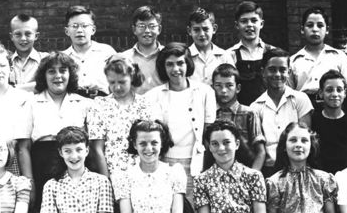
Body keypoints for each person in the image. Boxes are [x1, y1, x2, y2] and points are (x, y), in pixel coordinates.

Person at [16, 52, 93, 213]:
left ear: (71, 74)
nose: (58, 76)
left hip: (74, 161)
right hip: (41, 162)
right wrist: (30, 182)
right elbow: (23, 147)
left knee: (74, 212)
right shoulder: (31, 103)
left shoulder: (84, 103)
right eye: (51, 71)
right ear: (44, 75)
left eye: (63, 70)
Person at [143, 43, 215, 197]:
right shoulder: (152, 96)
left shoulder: (205, 92)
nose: (176, 69)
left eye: (180, 63)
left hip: (195, 162)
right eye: (170, 64)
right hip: (164, 162)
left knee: (192, 210)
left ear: (187, 64)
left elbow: (209, 130)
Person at [87, 54, 155, 181]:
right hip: (113, 174)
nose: (117, 87)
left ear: (132, 78)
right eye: (112, 82)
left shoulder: (144, 104)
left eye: (122, 82)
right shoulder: (99, 105)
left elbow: (150, 143)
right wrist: (106, 181)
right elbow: (97, 148)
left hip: (141, 175)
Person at [250, 48, 313, 176]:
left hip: (297, 166)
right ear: (263, 72)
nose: (277, 74)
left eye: (282, 70)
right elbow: (259, 148)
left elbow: (305, 137)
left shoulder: (300, 99)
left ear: (289, 72)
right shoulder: (255, 107)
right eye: (272, 69)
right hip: (268, 169)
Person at [288, 7, 347, 112]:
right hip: (304, 111)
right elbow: (289, 94)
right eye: (310, 25)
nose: (315, 29)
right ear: (302, 29)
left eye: (320, 25)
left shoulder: (339, 56)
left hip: (334, 109)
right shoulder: (293, 61)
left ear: (327, 30)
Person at [210, 63, 265, 170]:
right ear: (212, 87)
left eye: (229, 85)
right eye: (218, 85)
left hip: (244, 171)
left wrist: (252, 177)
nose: (224, 90)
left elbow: (260, 152)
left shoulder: (249, 113)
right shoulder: (209, 114)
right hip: (215, 174)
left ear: (238, 88)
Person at [224, 0, 277, 106]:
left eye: (254, 20)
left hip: (269, 112)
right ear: (237, 25)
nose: (249, 25)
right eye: (244, 21)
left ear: (261, 24)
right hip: (241, 114)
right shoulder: (229, 55)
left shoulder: (273, 53)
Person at [308, 69, 347, 174]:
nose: (335, 94)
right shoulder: (314, 120)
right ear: (321, 93)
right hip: (321, 176)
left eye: (339, 90)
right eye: (329, 90)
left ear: (345, 93)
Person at [62, 5, 116, 97]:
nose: (79, 30)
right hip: (74, 103)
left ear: (93, 30)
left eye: (84, 26)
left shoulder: (106, 52)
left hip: (103, 101)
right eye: (74, 26)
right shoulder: (63, 57)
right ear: (67, 31)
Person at [124, 5, 165, 94]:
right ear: (134, 29)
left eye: (152, 26)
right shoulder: (125, 58)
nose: (147, 31)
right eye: (141, 26)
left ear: (159, 29)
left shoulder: (167, 55)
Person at [186, 7, 229, 85]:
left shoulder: (224, 56)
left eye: (205, 29)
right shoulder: (185, 56)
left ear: (214, 29)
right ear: (189, 31)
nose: (202, 34)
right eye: (196, 30)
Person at [8, 12, 46, 92]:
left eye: (28, 34)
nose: (23, 38)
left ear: (36, 36)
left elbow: (47, 84)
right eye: (18, 34)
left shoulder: (45, 60)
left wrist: (13, 90)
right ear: (11, 36)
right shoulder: (5, 62)